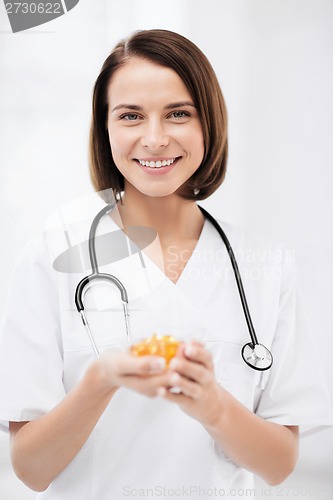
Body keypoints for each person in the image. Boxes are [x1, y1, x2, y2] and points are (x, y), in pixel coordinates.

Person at [0, 29, 332, 499]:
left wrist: (214, 407)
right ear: (106, 128)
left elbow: (279, 466)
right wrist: (100, 382)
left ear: (208, 124)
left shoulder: (265, 266)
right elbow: (31, 470)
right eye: (130, 116)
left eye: (178, 114)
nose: (154, 139)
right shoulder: (52, 254)